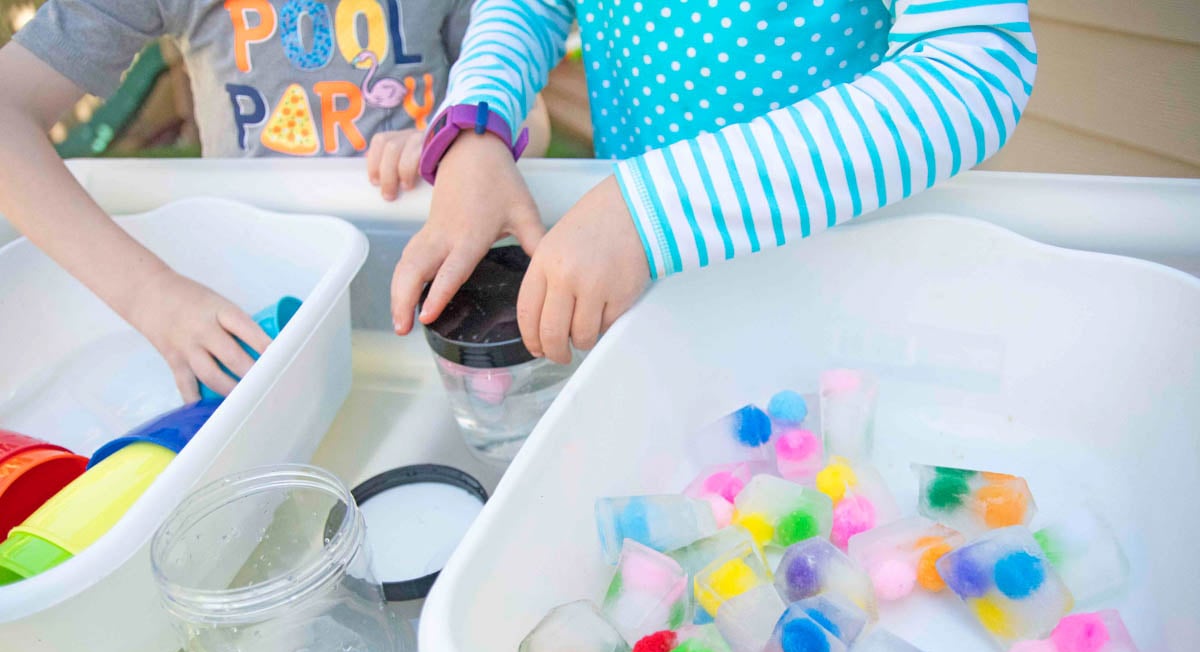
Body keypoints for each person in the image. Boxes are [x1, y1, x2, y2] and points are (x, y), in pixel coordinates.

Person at [396, 0, 1036, 365]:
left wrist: (654, 212)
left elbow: (973, 66)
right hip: (647, 287)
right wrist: (479, 122)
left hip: (841, 293)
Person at [0, 0, 549, 400]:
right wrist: (150, 295)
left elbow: (532, 115)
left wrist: (465, 137)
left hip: (433, 313)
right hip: (256, 319)